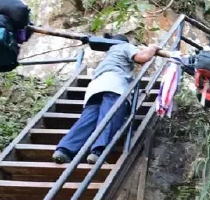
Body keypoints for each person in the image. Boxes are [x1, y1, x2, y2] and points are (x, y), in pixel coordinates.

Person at [53, 36, 160, 164]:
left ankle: (65, 150)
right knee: (110, 117)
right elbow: (142, 57)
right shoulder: (124, 46)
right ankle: (98, 152)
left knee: (88, 120)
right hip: (113, 84)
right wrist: (153, 48)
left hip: (95, 87)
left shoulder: (109, 55)